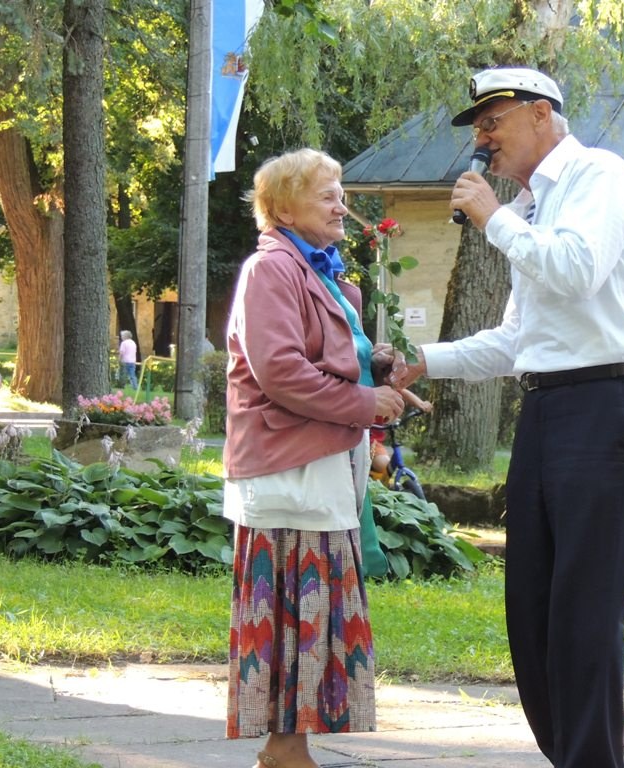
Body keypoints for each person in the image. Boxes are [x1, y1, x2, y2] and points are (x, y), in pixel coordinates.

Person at [390, 66, 624, 768]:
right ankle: (570, 755)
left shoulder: (599, 177)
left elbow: (577, 269)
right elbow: (518, 340)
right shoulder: (533, 207)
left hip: (609, 403)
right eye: (478, 128)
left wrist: (495, 220)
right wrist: (425, 360)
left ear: (542, 113)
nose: (482, 139)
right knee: (533, 605)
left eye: (493, 121)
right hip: (547, 406)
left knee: (584, 606)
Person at [221, 147, 405, 768]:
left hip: (316, 465)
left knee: (313, 610)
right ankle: (285, 751)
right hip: (288, 468)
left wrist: (377, 369)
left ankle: (286, 748)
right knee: (295, 609)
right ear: (284, 209)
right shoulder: (271, 268)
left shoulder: (315, 270)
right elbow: (279, 370)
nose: (341, 206)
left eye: (341, 194)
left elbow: (325, 356)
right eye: (327, 195)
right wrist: (363, 401)